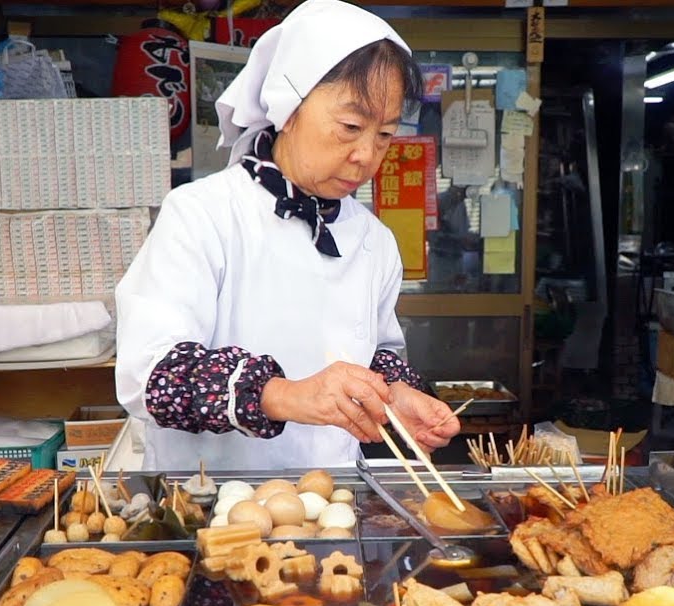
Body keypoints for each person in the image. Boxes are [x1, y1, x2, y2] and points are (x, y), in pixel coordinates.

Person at [115, 0, 460, 471]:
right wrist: (286, 395)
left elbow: (376, 349)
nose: (366, 155)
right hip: (211, 507)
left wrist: (394, 394)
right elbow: (149, 375)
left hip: (333, 505)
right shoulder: (203, 214)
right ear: (288, 104)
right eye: (351, 127)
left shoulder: (373, 241)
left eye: (384, 135)